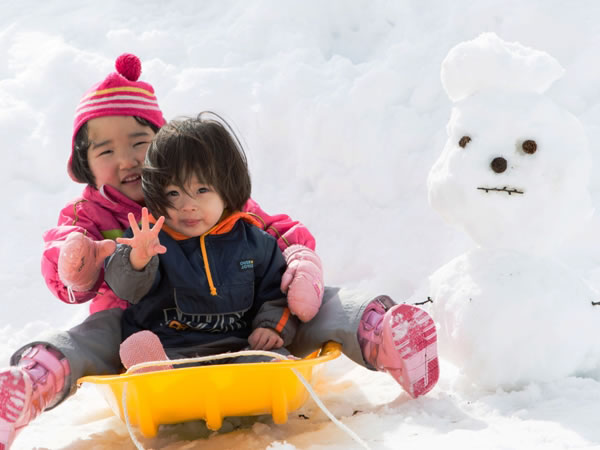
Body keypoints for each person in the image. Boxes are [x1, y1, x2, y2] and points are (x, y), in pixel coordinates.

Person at [0, 53, 439, 450]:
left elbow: (267, 231)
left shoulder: (204, 197)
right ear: (84, 163)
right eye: (107, 150)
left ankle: (382, 334)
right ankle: (36, 382)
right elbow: (63, 256)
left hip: (242, 311)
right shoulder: (88, 211)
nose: (128, 159)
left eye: (139, 142)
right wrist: (76, 260)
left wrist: (298, 262)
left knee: (312, 303)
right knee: (92, 336)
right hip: (136, 324)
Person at [105, 114, 298, 369]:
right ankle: (154, 373)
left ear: (227, 188)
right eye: (173, 193)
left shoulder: (254, 243)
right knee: (151, 357)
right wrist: (137, 260)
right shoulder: (149, 238)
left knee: (271, 361)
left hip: (239, 350)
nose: (187, 206)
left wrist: (272, 327)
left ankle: (275, 378)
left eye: (201, 190)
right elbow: (124, 288)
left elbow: (278, 296)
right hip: (171, 350)